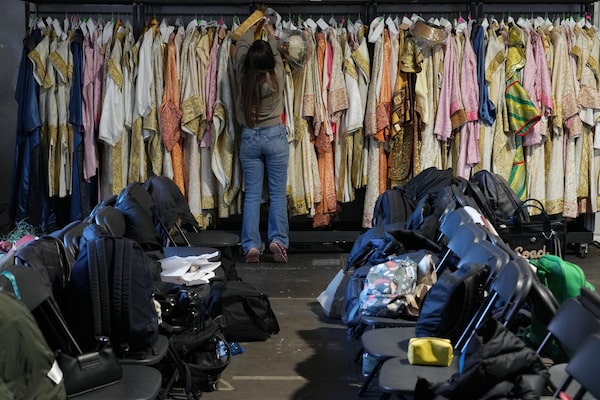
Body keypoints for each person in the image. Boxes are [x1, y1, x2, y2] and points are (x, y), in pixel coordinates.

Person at [234, 21, 289, 263]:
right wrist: (269, 31)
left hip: (249, 137)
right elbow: (275, 51)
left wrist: (254, 24)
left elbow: (241, 45)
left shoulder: (242, 75)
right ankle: (278, 240)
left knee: (253, 196)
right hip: (274, 136)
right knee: (277, 194)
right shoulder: (277, 75)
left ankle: (251, 246)